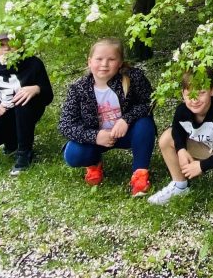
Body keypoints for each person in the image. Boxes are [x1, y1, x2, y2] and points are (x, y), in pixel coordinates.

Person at [58, 37, 156, 196]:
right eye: (99, 59)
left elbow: (149, 102)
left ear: (120, 63)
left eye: (111, 59)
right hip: (98, 139)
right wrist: (95, 136)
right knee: (73, 155)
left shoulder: (133, 78)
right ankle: (94, 163)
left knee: (145, 124)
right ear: (89, 62)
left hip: (127, 133)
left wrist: (126, 119)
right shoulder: (78, 88)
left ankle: (139, 173)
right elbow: (65, 125)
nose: (104, 64)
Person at [148, 67, 213, 208]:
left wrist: (201, 166)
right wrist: (181, 150)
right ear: (183, 94)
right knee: (166, 138)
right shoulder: (182, 111)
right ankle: (180, 185)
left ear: (212, 90)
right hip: (206, 144)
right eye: (190, 94)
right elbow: (177, 132)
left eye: (201, 93)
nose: (195, 100)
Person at [0, 32, 53, 176]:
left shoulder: (33, 64)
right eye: (2, 45)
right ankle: (12, 140)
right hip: (5, 110)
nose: (7, 49)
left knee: (21, 99)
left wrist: (36, 88)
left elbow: (48, 95)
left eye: (12, 45)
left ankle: (24, 153)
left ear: (21, 46)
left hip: (28, 109)